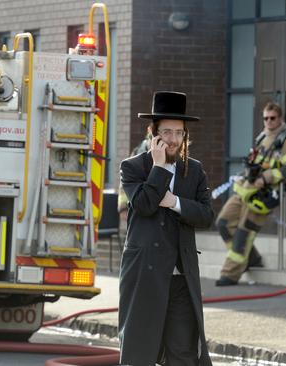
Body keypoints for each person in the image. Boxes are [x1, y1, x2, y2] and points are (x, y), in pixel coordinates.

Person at [118, 91, 214, 365]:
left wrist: (175, 203)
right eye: (167, 132)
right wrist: (159, 167)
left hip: (181, 277)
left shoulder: (194, 170)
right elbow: (146, 205)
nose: (173, 140)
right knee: (139, 350)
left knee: (183, 351)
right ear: (153, 134)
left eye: (179, 133)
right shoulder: (133, 167)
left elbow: (207, 215)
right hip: (144, 273)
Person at [215, 102, 286, 286]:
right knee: (223, 223)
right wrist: (242, 176)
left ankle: (230, 274)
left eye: (272, 118)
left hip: (263, 195)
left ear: (280, 118)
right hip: (246, 189)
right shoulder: (261, 137)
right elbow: (253, 162)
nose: (268, 121)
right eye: (266, 118)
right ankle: (251, 258)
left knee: (243, 233)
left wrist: (266, 178)